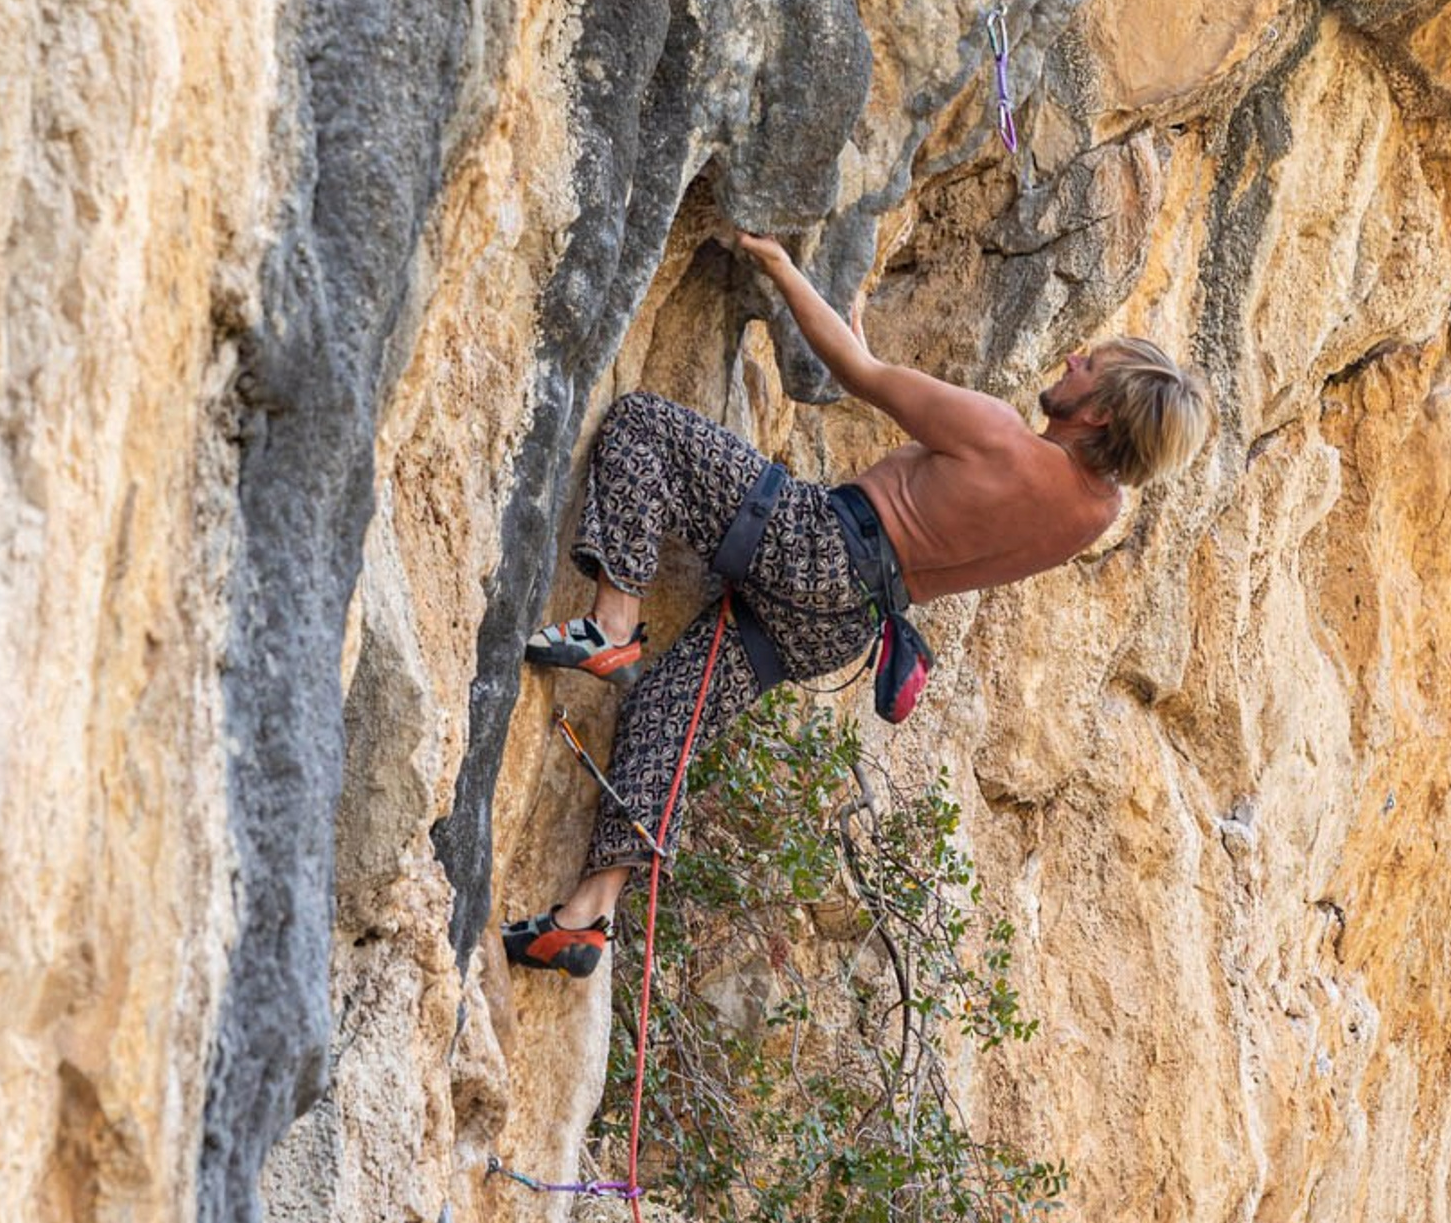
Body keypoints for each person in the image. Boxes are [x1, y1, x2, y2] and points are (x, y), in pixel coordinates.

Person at [501, 230, 1210, 976]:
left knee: (644, 426)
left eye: (1088, 365)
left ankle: (613, 623)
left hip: (817, 544)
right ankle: (589, 914)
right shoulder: (1094, 513)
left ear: (1097, 412)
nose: (1073, 360)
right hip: (844, 625)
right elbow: (933, 465)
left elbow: (856, 370)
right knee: (671, 709)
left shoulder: (1003, 439)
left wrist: (776, 262)